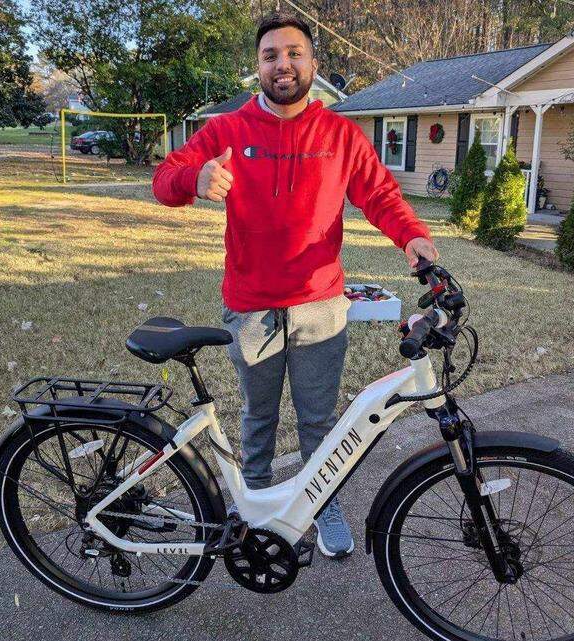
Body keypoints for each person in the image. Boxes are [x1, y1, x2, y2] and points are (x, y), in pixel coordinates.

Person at [152, 13, 438, 559]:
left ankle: (322, 508)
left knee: (320, 422)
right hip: (251, 308)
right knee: (257, 418)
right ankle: (254, 509)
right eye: (270, 55)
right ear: (258, 66)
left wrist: (413, 238)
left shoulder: (340, 134)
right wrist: (196, 177)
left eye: (294, 52)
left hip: (321, 306)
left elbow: (379, 195)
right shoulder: (227, 130)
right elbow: (165, 179)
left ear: (312, 62)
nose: (282, 63)